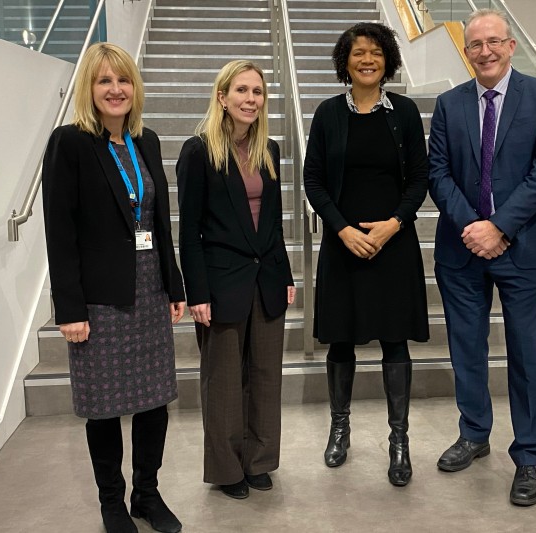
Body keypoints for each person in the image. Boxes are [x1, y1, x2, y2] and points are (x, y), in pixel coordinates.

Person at [42, 43, 185, 533]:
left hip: (148, 293)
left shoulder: (146, 142)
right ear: (90, 88)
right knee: (103, 409)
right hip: (99, 300)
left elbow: (160, 222)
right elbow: (59, 233)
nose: (116, 89)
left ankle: (147, 493)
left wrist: (175, 283)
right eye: (105, 81)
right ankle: (112, 503)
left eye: (123, 80)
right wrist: (69, 308)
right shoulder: (70, 143)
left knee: (154, 401)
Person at [428, 8, 536, 507]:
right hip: (462, 247)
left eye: (493, 42)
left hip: (523, 246)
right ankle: (474, 432)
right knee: (467, 345)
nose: (484, 51)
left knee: (527, 354)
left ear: (511, 46)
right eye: (474, 45)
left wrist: (500, 227)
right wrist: (472, 226)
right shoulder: (449, 103)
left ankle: (530, 457)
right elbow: (438, 171)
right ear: (466, 53)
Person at [303, 22, 429, 487]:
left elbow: (420, 178)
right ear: (346, 60)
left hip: (394, 245)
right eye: (359, 53)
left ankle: (399, 441)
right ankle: (341, 428)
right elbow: (313, 179)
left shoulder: (406, 112)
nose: (367, 60)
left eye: (376, 52)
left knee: (394, 340)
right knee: (341, 338)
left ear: (388, 59)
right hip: (343, 246)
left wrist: (393, 224)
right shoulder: (328, 112)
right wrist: (342, 229)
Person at [176, 60, 296, 500]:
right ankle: (228, 470)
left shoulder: (270, 149)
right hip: (221, 282)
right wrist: (197, 293)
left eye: (257, 92)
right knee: (224, 383)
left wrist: (283, 272)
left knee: (266, 376)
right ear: (222, 97)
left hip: (266, 281)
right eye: (241, 91)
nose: (251, 99)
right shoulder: (198, 151)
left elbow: (273, 224)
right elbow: (188, 231)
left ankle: (260, 461)